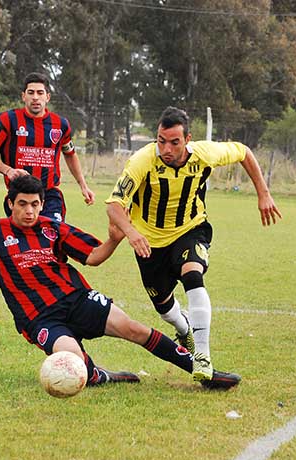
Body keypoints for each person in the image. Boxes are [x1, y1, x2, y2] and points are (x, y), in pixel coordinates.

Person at [0, 175, 241, 391]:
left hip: (77, 298)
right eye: (22, 204)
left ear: (42, 204)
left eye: (35, 204)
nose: (29, 211)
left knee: (136, 330)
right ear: (10, 203)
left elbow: (94, 257)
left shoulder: (53, 229)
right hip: (39, 318)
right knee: (71, 361)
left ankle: (201, 371)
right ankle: (98, 373)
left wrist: (113, 240)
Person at [106, 106, 282, 383]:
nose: (166, 148)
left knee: (192, 274)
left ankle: (202, 356)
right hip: (149, 242)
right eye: (161, 140)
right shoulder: (142, 160)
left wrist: (264, 193)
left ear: (187, 139)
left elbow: (244, 152)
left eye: (174, 142)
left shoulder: (204, 154)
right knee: (164, 308)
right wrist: (131, 232)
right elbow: (115, 205)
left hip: (191, 229)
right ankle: (184, 326)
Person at [0, 72, 95, 223]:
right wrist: (8, 171)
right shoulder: (8, 120)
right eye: (31, 92)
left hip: (49, 195)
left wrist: (83, 185)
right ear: (23, 96)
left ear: (47, 97)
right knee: (24, 242)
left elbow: (70, 154)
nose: (35, 97)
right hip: (19, 196)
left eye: (40, 93)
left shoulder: (60, 125)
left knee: (51, 235)